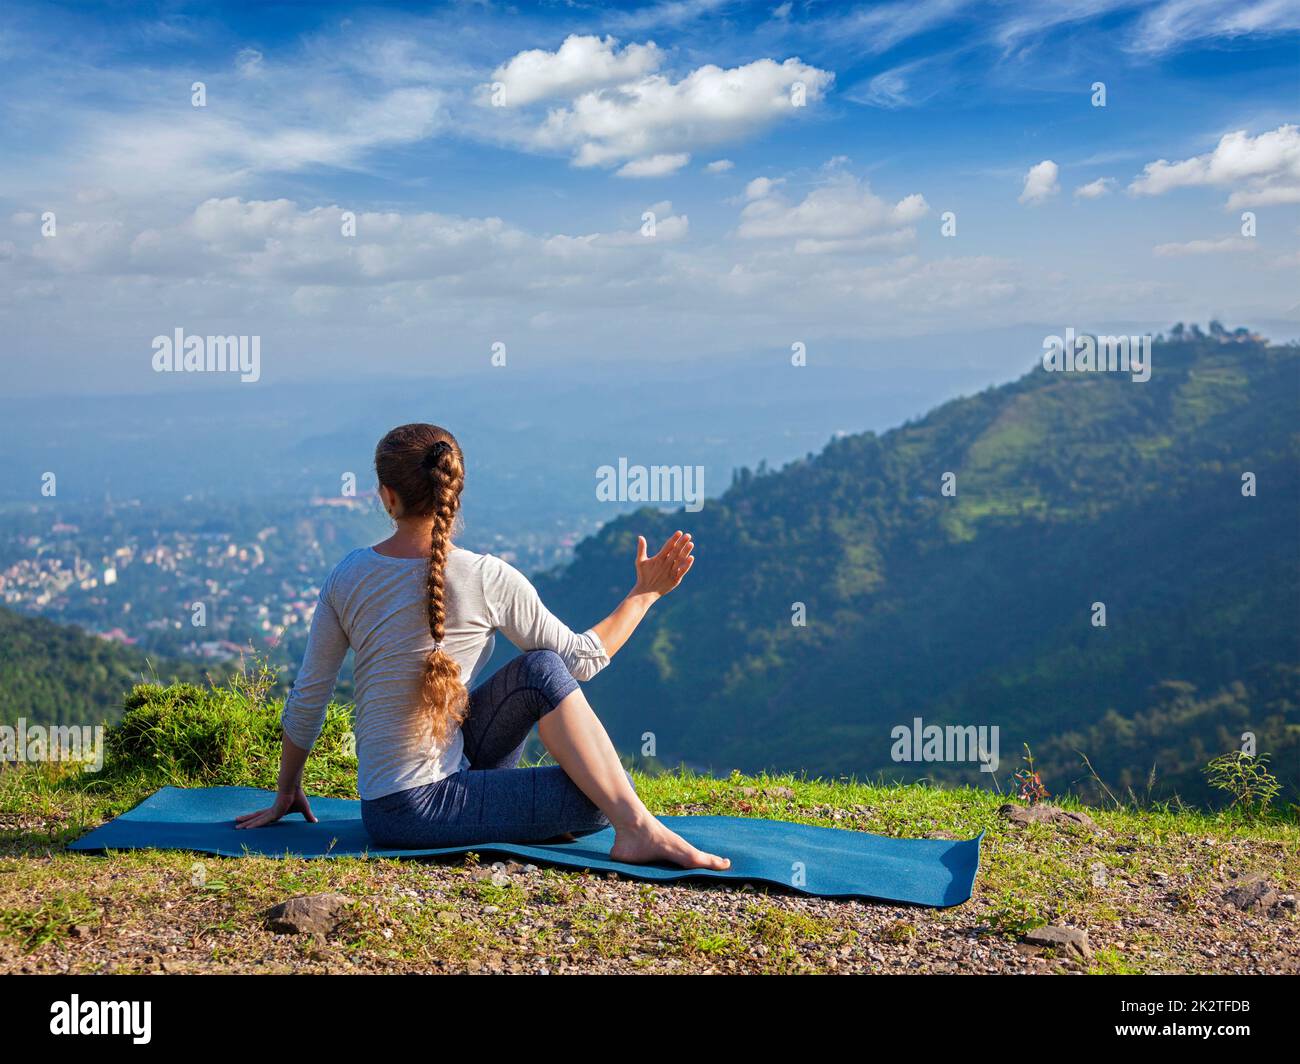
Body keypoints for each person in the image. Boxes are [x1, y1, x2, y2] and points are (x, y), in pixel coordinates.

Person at [236, 422, 729, 870]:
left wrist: (286, 791)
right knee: (597, 798)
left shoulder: (348, 575)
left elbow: (309, 697)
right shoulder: (487, 576)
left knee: (540, 670)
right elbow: (583, 659)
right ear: (455, 489)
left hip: (392, 802)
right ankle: (636, 829)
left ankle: (623, 822)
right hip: (416, 811)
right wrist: (644, 595)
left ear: (387, 497)